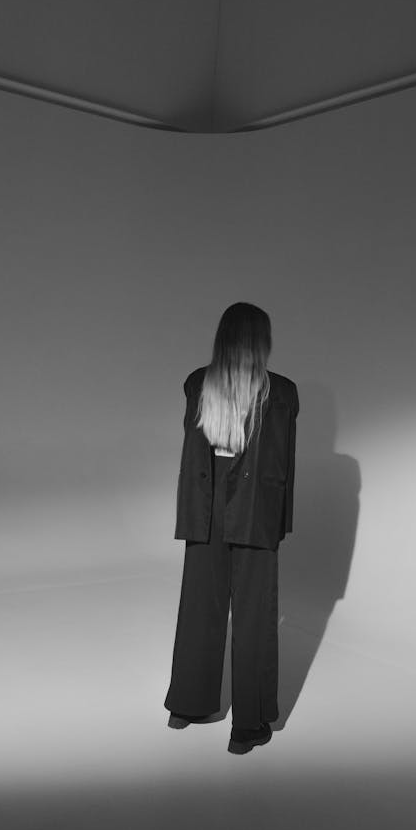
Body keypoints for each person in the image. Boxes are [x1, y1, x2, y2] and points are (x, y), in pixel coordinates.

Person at [164, 302, 299, 755]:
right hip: (254, 506)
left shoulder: (197, 383)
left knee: (200, 606)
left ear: (222, 337)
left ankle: (187, 706)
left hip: (206, 503)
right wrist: (279, 524)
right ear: (262, 340)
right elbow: (284, 463)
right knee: (255, 617)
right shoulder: (280, 392)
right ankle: (248, 727)